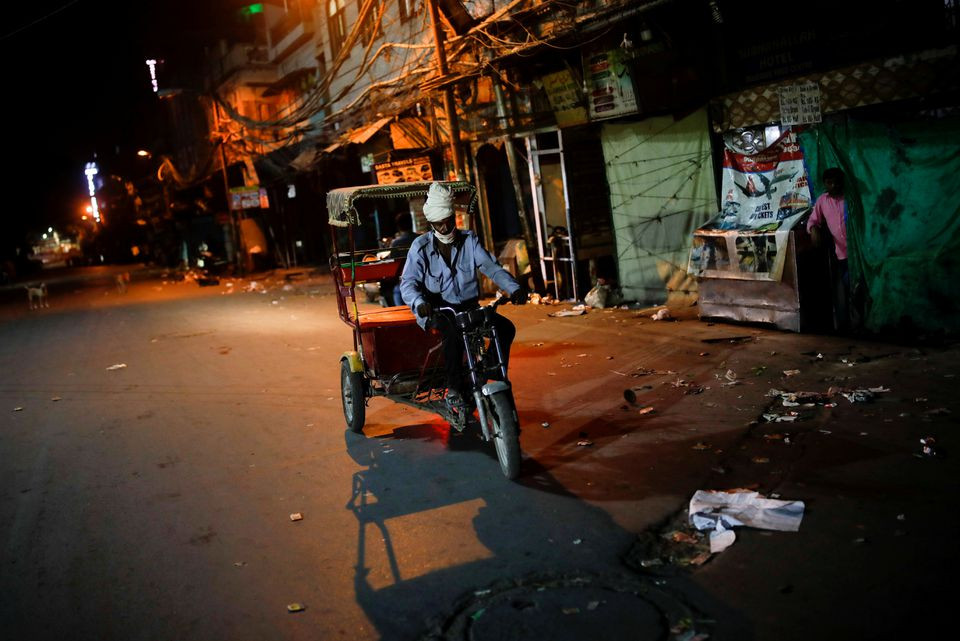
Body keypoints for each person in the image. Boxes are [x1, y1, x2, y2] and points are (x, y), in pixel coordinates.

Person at [400, 182, 527, 408]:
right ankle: (455, 388)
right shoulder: (420, 247)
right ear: (431, 224)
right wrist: (419, 303)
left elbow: (492, 268)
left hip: (469, 307)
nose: (446, 227)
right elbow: (408, 283)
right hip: (439, 309)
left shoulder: (470, 240)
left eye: (449, 221)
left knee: (506, 328)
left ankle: (492, 371)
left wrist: (513, 287)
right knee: (452, 335)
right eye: (440, 224)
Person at [806, 167, 850, 332]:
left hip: (858, 253)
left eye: (836, 182)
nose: (833, 186)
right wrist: (813, 230)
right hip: (841, 253)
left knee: (856, 287)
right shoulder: (822, 201)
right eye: (829, 183)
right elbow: (813, 221)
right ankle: (847, 326)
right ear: (825, 184)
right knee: (846, 288)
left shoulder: (849, 198)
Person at [382, 213, 416, 306]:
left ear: (398, 226)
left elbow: (392, 262)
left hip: (404, 282)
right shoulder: (419, 238)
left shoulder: (396, 242)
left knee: (396, 291)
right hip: (422, 279)